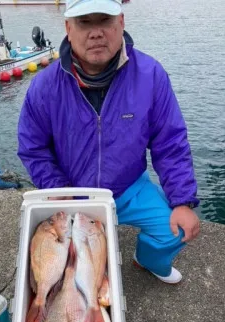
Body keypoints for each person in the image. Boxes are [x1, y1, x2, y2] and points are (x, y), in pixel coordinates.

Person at [18, 0, 200, 284]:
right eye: (84, 22)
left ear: (121, 23)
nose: (96, 32)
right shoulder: (44, 87)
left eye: (104, 20)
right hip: (73, 192)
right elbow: (33, 147)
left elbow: (170, 142)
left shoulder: (151, 75)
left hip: (130, 187)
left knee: (177, 230)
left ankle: (147, 259)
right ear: (68, 28)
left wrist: (183, 200)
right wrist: (58, 189)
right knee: (70, 271)